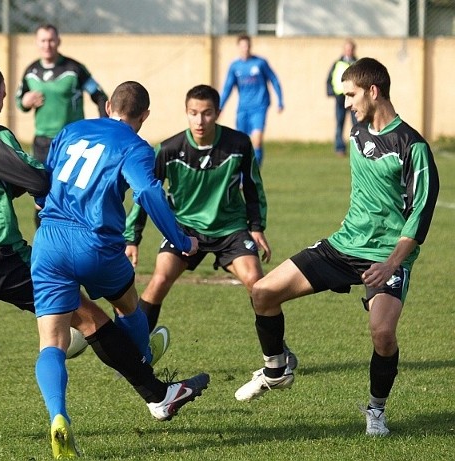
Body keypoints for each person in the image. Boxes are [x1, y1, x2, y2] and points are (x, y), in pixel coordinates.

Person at [0, 57, 209, 448]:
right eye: (3, 91)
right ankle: (158, 395)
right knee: (89, 318)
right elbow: (39, 179)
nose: (6, 99)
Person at [235, 58, 440, 437]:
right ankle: (277, 368)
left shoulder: (413, 147)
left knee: (382, 335)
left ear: (373, 91)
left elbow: (420, 216)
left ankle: (376, 410)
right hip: (343, 246)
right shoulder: (357, 132)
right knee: (262, 293)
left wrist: (392, 263)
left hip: (387, 258)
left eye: (351, 94)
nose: (345, 103)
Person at [30, 81, 209, 458]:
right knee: (128, 305)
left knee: (52, 342)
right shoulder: (135, 146)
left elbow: (43, 182)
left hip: (49, 240)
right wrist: (179, 238)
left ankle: (58, 417)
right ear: (144, 116)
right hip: (95, 245)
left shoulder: (71, 129)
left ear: (108, 105)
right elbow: (146, 193)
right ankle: (143, 360)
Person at [123, 84, 296, 369]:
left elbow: (253, 187)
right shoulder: (168, 149)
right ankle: (134, 353)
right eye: (193, 113)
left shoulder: (239, 145)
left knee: (257, 283)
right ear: (186, 113)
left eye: (206, 114)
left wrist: (256, 226)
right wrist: (133, 238)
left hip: (230, 229)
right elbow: (145, 195)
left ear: (216, 113)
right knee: (159, 280)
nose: (199, 121)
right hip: (185, 230)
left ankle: (278, 353)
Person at [16, 23, 109, 228]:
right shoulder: (31, 71)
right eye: (43, 40)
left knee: (76, 193)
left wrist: (105, 125)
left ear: (58, 41)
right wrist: (26, 101)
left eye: (51, 40)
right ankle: (44, 241)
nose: (47, 44)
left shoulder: (74, 69)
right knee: (42, 196)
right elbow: (19, 100)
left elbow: (99, 95)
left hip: (74, 142)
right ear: (36, 43)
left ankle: (77, 239)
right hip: (43, 143)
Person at [220, 34, 284, 167]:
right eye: (243, 46)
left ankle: (254, 175)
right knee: (241, 144)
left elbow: (274, 80)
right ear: (238, 47)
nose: (245, 48)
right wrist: (219, 107)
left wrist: (280, 101)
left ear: (250, 46)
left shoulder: (260, 63)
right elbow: (227, 88)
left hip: (259, 107)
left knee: (257, 141)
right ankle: (243, 176)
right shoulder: (235, 66)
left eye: (247, 46)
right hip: (243, 108)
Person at [326, 39, 358, 156]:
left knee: (357, 124)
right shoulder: (337, 63)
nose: (349, 51)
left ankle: (358, 147)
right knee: (340, 123)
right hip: (340, 98)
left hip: (355, 98)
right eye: (347, 49)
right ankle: (340, 148)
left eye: (351, 49)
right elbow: (330, 79)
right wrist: (331, 92)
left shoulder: (357, 63)